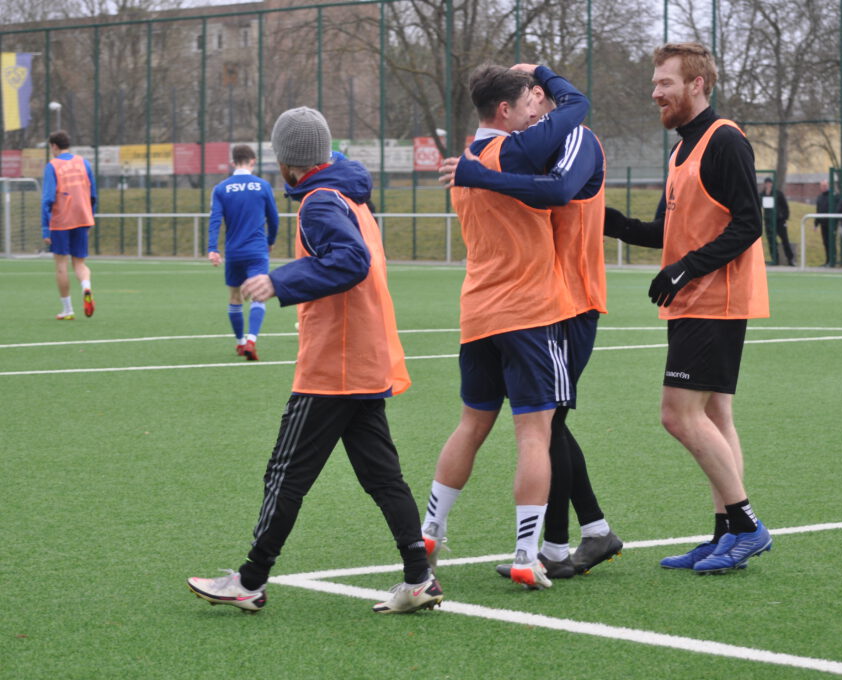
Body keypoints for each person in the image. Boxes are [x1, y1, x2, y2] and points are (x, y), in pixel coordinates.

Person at [187, 106, 441, 615]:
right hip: (364, 357)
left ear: (287, 162)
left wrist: (280, 280)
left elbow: (350, 261)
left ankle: (250, 580)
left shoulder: (320, 201)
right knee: (383, 477)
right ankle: (419, 578)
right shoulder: (346, 191)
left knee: (286, 474)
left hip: (334, 366)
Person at [438, 71, 623, 580]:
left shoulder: (575, 136)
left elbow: (559, 191)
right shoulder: (523, 143)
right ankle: (577, 539)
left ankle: (564, 545)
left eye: (539, 94)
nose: (535, 106)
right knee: (549, 421)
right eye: (527, 97)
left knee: (547, 422)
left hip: (570, 298)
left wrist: (479, 175)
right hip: (542, 299)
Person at [603, 42, 772, 574]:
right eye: (654, 83)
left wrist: (686, 268)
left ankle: (747, 526)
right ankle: (727, 535)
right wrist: (603, 219)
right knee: (715, 417)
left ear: (697, 84)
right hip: (695, 299)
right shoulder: (681, 151)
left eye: (665, 83)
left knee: (677, 415)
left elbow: (749, 224)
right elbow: (664, 232)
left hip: (716, 299)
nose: (655, 92)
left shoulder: (725, 140)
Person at [208, 144, 280, 360]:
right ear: (253, 161)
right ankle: (251, 340)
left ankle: (240, 342)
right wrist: (270, 241)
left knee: (234, 297)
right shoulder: (263, 186)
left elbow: (215, 220)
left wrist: (213, 249)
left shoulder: (221, 189)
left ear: (232, 163)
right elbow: (273, 219)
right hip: (257, 250)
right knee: (259, 295)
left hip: (234, 252)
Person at [41, 130, 97, 320]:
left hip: (61, 221)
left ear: (54, 146)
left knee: (61, 265)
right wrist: (90, 216)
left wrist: (45, 228)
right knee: (79, 263)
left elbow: (48, 199)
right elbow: (93, 194)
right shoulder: (84, 163)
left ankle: (68, 309)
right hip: (82, 218)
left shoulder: (52, 166)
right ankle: (86, 287)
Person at [761, 177, 794, 266]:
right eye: (766, 183)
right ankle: (775, 259)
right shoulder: (762, 194)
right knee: (771, 241)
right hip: (769, 221)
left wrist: (784, 218)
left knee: (785, 240)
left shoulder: (778, 194)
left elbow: (785, 206)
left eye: (769, 183)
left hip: (779, 221)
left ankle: (790, 259)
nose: (768, 185)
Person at [814, 180, 834, 267]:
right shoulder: (820, 197)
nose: (824, 187)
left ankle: (832, 261)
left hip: (831, 223)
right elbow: (818, 210)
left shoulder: (832, 196)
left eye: (825, 186)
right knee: (825, 242)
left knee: (831, 242)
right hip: (823, 223)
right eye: (822, 186)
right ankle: (827, 260)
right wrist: (816, 223)